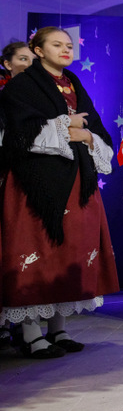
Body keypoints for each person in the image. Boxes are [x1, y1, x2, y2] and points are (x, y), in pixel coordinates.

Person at [0, 27, 119, 358]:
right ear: (38, 50)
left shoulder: (74, 84)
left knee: (68, 253)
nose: (66, 50)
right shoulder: (22, 86)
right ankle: (30, 334)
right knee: (35, 253)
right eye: (57, 45)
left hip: (75, 180)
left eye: (69, 45)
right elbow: (19, 133)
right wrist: (66, 126)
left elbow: (94, 128)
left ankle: (58, 329)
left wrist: (86, 136)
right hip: (36, 184)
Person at [1, 40, 37, 348]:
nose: (28, 64)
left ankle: (30, 328)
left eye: (31, 59)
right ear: (7, 64)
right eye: (22, 59)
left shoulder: (42, 98)